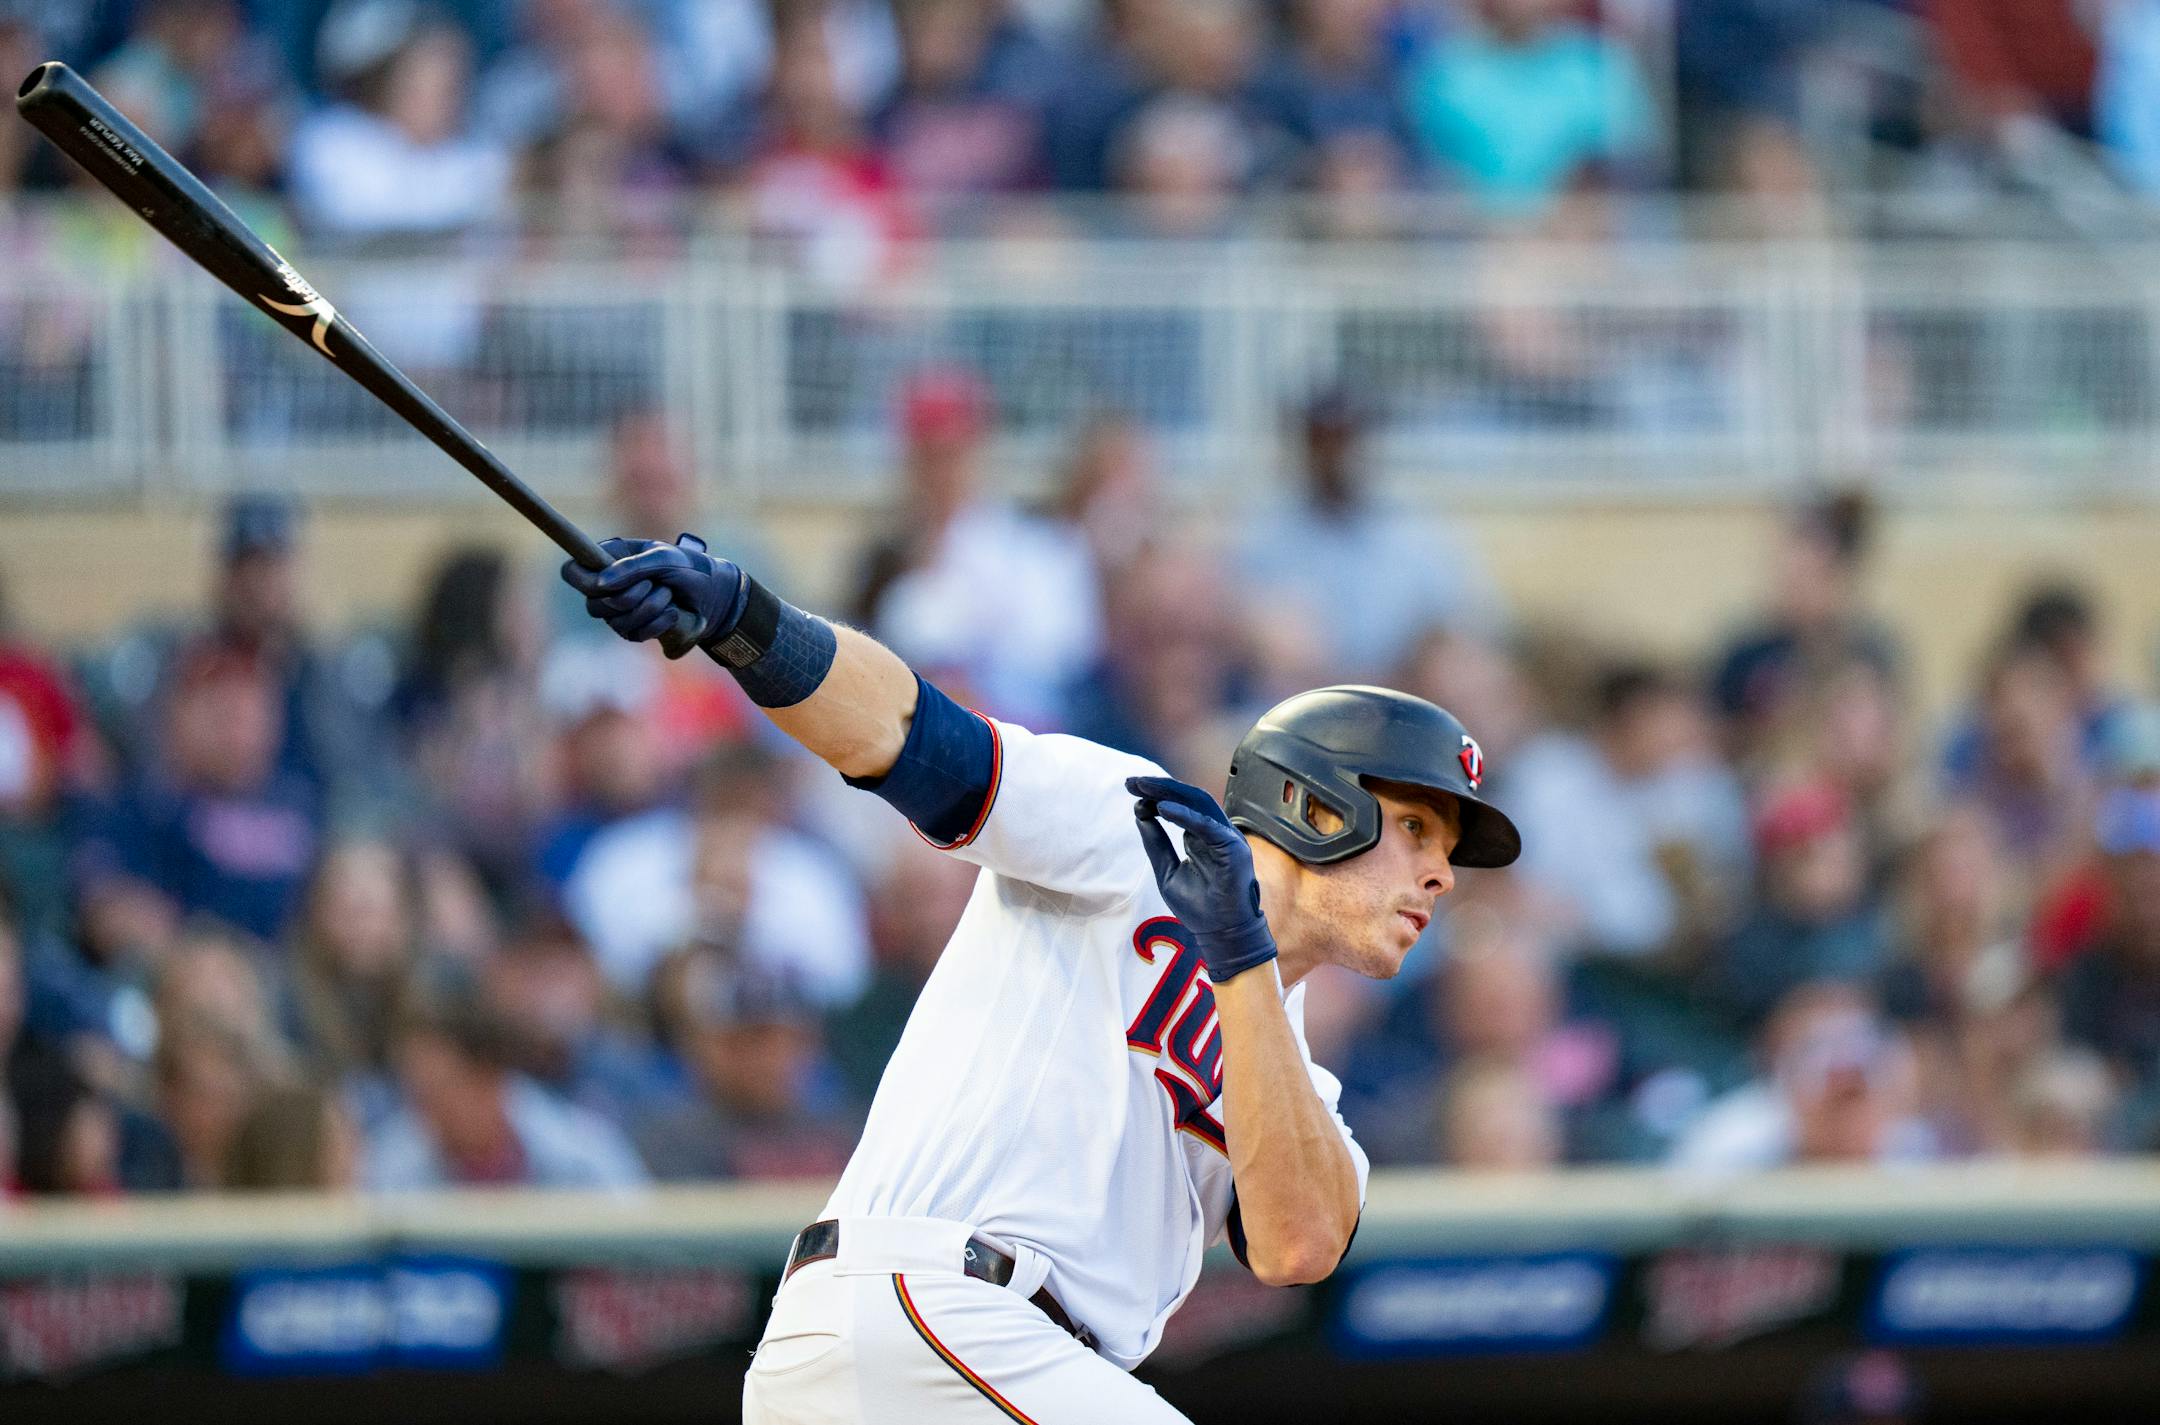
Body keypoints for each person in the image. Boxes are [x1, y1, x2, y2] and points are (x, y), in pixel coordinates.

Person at [560, 516, 1521, 1421]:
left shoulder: (1288, 1065)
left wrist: (1243, 959)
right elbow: (913, 738)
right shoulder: (1137, 825)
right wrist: (746, 620)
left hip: (941, 1364)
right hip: (942, 1311)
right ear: (1320, 808)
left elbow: (1300, 1244)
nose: (1441, 872)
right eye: (1415, 828)